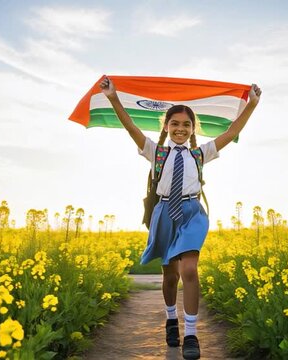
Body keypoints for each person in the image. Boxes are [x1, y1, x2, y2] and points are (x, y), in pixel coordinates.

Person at [100, 76, 261, 360]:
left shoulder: (201, 154)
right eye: (175, 123)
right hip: (164, 214)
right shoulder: (156, 152)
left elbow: (233, 130)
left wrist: (251, 105)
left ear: (192, 129)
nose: (180, 129)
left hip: (191, 214)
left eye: (186, 124)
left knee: (189, 270)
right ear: (166, 126)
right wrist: (113, 98)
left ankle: (191, 335)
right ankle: (171, 318)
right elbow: (130, 127)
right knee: (170, 275)